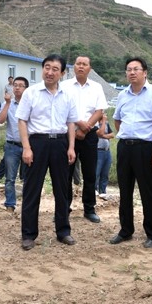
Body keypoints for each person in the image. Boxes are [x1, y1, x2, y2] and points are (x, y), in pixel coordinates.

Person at [16, 54, 78, 250]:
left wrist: (71, 147)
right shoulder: (31, 93)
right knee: (32, 189)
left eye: (55, 69)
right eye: (47, 67)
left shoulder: (68, 95)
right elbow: (22, 121)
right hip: (37, 143)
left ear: (62, 73)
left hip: (60, 143)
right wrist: (26, 147)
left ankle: (63, 231)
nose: (50, 72)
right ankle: (28, 234)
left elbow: (71, 123)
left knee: (62, 189)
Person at [109, 57, 152, 249]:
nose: (132, 72)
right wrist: (127, 136)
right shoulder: (122, 95)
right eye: (129, 69)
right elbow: (117, 120)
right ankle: (125, 230)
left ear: (145, 72)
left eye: (136, 69)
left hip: (145, 148)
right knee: (124, 190)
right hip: (125, 147)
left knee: (148, 192)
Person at [62, 56, 108, 223]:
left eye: (84, 64)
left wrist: (85, 128)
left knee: (90, 173)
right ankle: (64, 208)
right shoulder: (64, 86)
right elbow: (62, 108)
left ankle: (89, 209)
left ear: (90, 68)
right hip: (69, 133)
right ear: (74, 67)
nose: (81, 66)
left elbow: (99, 110)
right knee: (65, 174)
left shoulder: (96, 87)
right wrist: (78, 124)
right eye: (78, 64)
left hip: (89, 135)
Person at [0, 76, 29, 212]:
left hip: (28, 146)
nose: (17, 88)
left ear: (26, 89)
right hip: (12, 145)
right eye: (15, 85)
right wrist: (7, 103)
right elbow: (0, 120)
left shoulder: (30, 104)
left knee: (28, 177)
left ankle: (28, 205)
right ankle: (10, 204)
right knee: (10, 178)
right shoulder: (8, 104)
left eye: (21, 85)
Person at [95, 111, 114, 199]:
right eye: (102, 112)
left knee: (105, 172)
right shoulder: (95, 124)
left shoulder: (106, 124)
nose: (104, 114)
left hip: (107, 150)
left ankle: (102, 190)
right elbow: (100, 132)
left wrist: (104, 136)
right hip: (98, 151)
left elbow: (112, 134)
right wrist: (103, 122)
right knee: (96, 171)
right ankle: (94, 189)